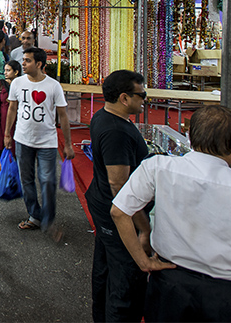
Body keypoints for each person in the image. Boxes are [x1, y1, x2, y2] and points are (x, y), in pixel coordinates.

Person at [112, 105, 231, 323]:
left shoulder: (159, 166)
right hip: (225, 290)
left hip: (170, 281)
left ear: (190, 136)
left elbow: (119, 211)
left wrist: (142, 261)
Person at [86, 70, 149, 323]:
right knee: (125, 279)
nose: (144, 99)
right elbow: (118, 184)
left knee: (106, 266)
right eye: (141, 95)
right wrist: (141, 227)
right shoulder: (116, 131)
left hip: (103, 205)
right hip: (114, 213)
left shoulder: (105, 117)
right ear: (124, 98)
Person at [4, 47, 74, 237]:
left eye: (27, 60)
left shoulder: (53, 86)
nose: (23, 63)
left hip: (47, 142)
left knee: (47, 181)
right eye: (24, 60)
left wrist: (67, 144)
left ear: (39, 64)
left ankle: (48, 219)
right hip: (22, 139)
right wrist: (7, 134)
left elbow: (63, 116)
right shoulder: (17, 83)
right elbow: (12, 109)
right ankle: (35, 215)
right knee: (26, 179)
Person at [0, 60, 21, 158]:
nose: (5, 73)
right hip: (2, 122)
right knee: (2, 146)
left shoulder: (21, 86)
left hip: (18, 122)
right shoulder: (1, 85)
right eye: (5, 70)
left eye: (8, 70)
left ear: (16, 72)